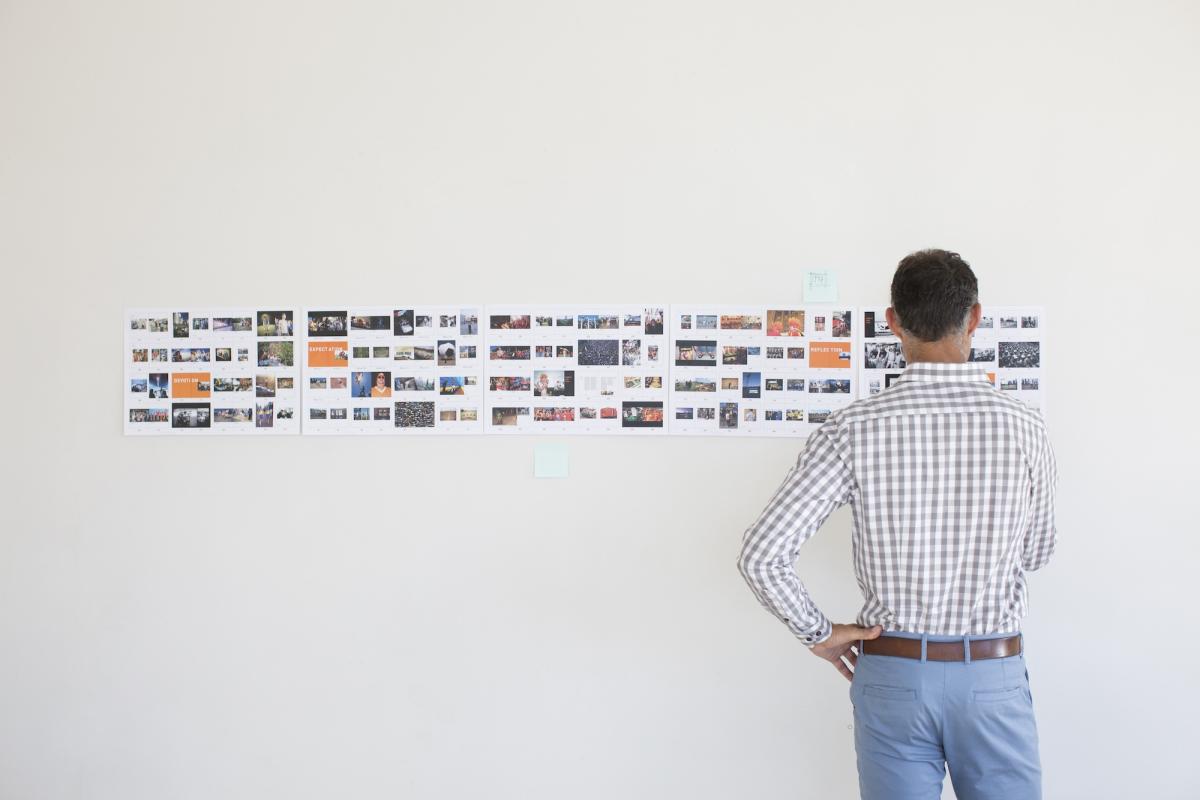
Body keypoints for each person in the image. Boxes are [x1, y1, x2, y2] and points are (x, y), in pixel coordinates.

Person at [738, 249, 1057, 800]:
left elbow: (761, 555)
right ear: (974, 317)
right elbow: (1038, 552)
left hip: (893, 673)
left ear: (893, 321)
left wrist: (820, 634)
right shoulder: (1024, 425)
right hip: (992, 674)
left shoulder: (852, 428)